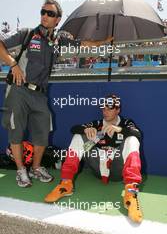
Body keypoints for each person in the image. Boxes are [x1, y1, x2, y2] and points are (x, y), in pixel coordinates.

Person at [0, 0, 111, 188]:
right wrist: (13, 64)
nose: (45, 16)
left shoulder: (58, 40)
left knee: (43, 132)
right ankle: (20, 171)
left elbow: (81, 43)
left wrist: (102, 42)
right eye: (43, 12)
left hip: (40, 94)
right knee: (16, 133)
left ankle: (35, 168)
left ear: (58, 19)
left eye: (50, 14)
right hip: (18, 89)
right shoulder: (28, 34)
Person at [44, 94, 143, 223]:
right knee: (78, 136)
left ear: (118, 110)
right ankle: (65, 184)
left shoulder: (126, 123)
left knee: (132, 139)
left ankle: (131, 193)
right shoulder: (96, 123)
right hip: (98, 167)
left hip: (117, 170)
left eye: (110, 108)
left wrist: (119, 129)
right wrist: (86, 129)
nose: (105, 111)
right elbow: (73, 128)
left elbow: (137, 133)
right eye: (103, 108)